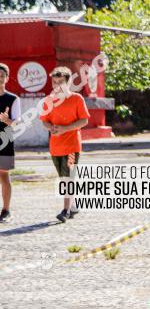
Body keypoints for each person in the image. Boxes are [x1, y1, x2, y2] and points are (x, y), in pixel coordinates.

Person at [39, 66, 90, 223]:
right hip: (55, 146)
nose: (56, 85)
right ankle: (73, 206)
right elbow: (44, 122)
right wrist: (52, 128)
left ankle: (65, 210)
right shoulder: (49, 100)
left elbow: (84, 120)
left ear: (68, 83)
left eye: (60, 82)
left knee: (68, 177)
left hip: (72, 146)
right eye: (54, 82)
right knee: (63, 179)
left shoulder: (76, 99)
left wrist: (65, 129)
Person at [0, 63, 20, 223]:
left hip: (5, 142)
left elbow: (18, 123)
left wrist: (8, 121)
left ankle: (6, 210)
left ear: (7, 78)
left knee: (4, 175)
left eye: (2, 75)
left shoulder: (13, 99)